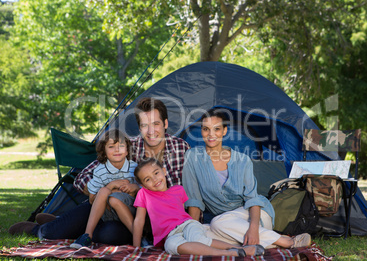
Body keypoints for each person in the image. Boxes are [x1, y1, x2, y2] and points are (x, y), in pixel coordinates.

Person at [9, 97, 190, 245]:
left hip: (153, 220)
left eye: (156, 124)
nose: (151, 131)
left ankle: (63, 223)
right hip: (117, 209)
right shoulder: (128, 147)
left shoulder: (180, 148)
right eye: (144, 125)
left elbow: (180, 192)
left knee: (107, 235)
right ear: (139, 127)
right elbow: (82, 177)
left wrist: (138, 189)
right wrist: (103, 189)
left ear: (165, 124)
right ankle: (39, 230)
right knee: (97, 205)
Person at [182, 108, 312, 249]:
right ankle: (269, 241)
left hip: (254, 216)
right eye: (206, 129)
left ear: (224, 131)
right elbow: (194, 199)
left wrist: (253, 228)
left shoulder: (242, 160)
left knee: (217, 224)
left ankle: (287, 242)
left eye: (217, 129)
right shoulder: (193, 157)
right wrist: (194, 230)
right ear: (201, 131)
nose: (211, 134)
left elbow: (252, 199)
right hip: (227, 225)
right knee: (201, 234)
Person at [132, 158, 264, 256]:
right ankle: (230, 253)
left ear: (164, 171)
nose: (155, 180)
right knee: (171, 247)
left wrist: (191, 225)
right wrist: (136, 248)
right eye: (147, 179)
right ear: (143, 185)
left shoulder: (178, 189)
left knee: (198, 238)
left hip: (188, 224)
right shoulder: (144, 194)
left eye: (156, 173)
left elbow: (181, 211)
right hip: (169, 234)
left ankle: (236, 248)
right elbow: (139, 221)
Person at [70, 129, 139, 249]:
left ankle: (139, 237)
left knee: (114, 198)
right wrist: (111, 186)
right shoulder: (100, 170)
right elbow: (92, 200)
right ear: (104, 151)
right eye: (112, 146)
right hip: (107, 213)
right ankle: (87, 236)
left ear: (127, 150)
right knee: (105, 192)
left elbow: (144, 190)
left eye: (121, 146)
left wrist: (135, 186)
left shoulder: (134, 168)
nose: (117, 150)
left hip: (129, 210)